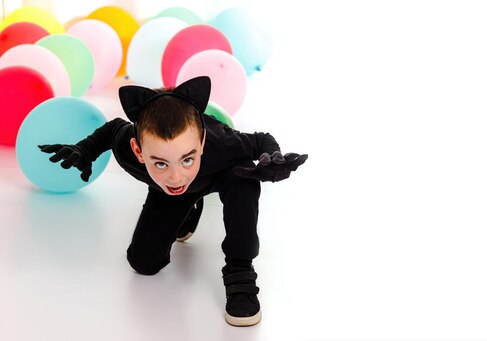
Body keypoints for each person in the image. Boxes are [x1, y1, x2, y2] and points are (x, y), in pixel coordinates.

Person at [38, 76, 307, 327]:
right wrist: (85, 149)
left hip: (221, 174)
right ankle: (190, 206)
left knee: (244, 176)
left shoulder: (222, 143)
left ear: (201, 142)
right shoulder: (128, 147)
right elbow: (112, 130)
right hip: (167, 193)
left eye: (187, 159)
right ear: (138, 151)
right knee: (143, 263)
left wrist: (273, 158)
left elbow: (262, 140)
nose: (176, 176)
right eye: (161, 163)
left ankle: (240, 269)